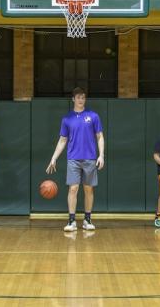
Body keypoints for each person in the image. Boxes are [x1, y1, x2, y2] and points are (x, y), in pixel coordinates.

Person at [46, 87, 104, 232]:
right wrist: (54, 158)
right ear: (73, 99)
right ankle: (71, 221)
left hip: (90, 158)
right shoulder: (67, 119)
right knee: (73, 188)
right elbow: (62, 140)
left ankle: (87, 219)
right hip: (73, 159)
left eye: (83, 97)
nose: (81, 100)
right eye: (78, 97)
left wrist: (101, 155)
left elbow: (100, 136)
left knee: (88, 189)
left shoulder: (93, 116)